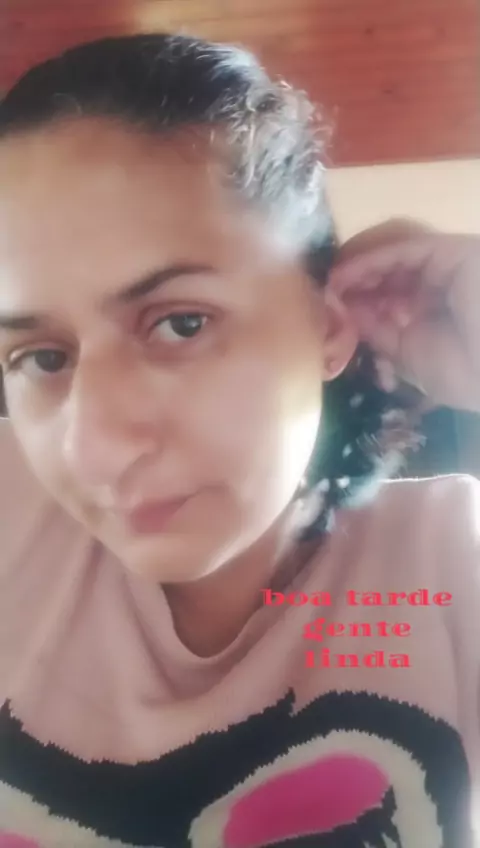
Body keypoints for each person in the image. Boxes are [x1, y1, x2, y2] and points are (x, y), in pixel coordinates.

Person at [0, 32, 479, 848]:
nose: (95, 450)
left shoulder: (451, 564)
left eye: (181, 324)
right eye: (42, 357)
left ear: (327, 325)